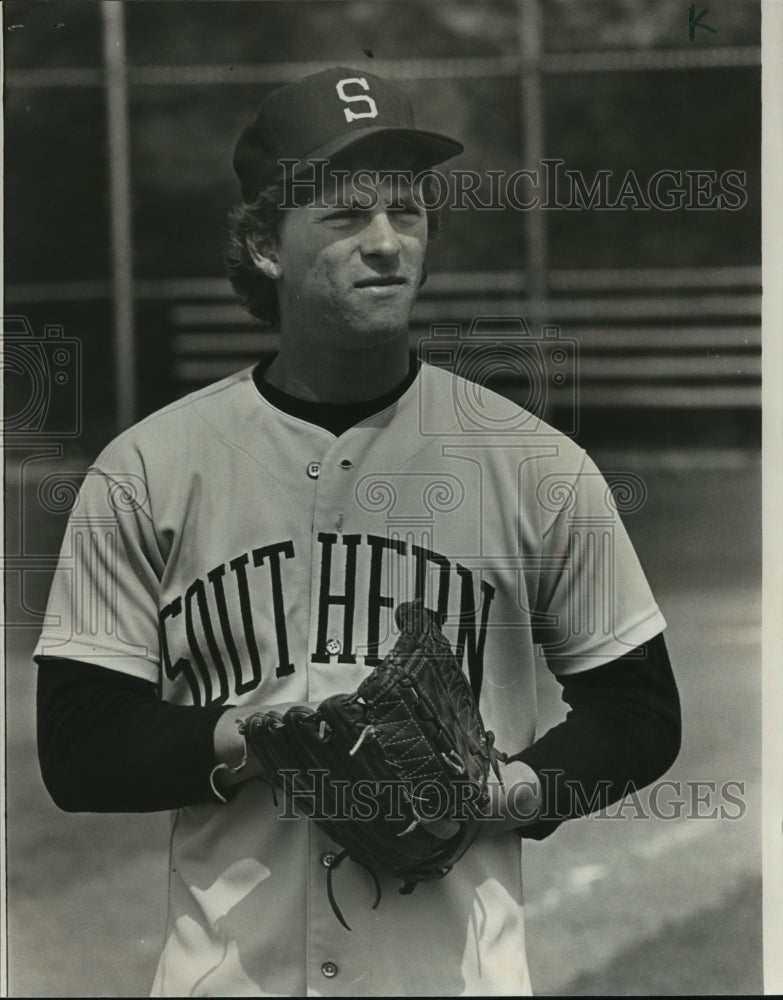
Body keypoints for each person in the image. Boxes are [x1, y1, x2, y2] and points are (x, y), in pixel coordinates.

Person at [35, 66, 681, 996]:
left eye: (407, 212)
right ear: (265, 242)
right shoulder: (148, 469)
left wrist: (511, 791)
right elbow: (80, 745)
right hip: (227, 980)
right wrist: (257, 739)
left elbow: (640, 713)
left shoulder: (530, 463)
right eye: (344, 216)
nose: (386, 244)